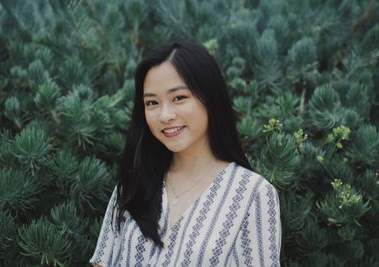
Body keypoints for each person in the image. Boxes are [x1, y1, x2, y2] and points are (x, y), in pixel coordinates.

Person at [90, 41, 281, 267]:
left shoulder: (252, 194)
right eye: (152, 102)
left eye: (178, 98)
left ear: (210, 98)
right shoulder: (134, 182)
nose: (165, 115)